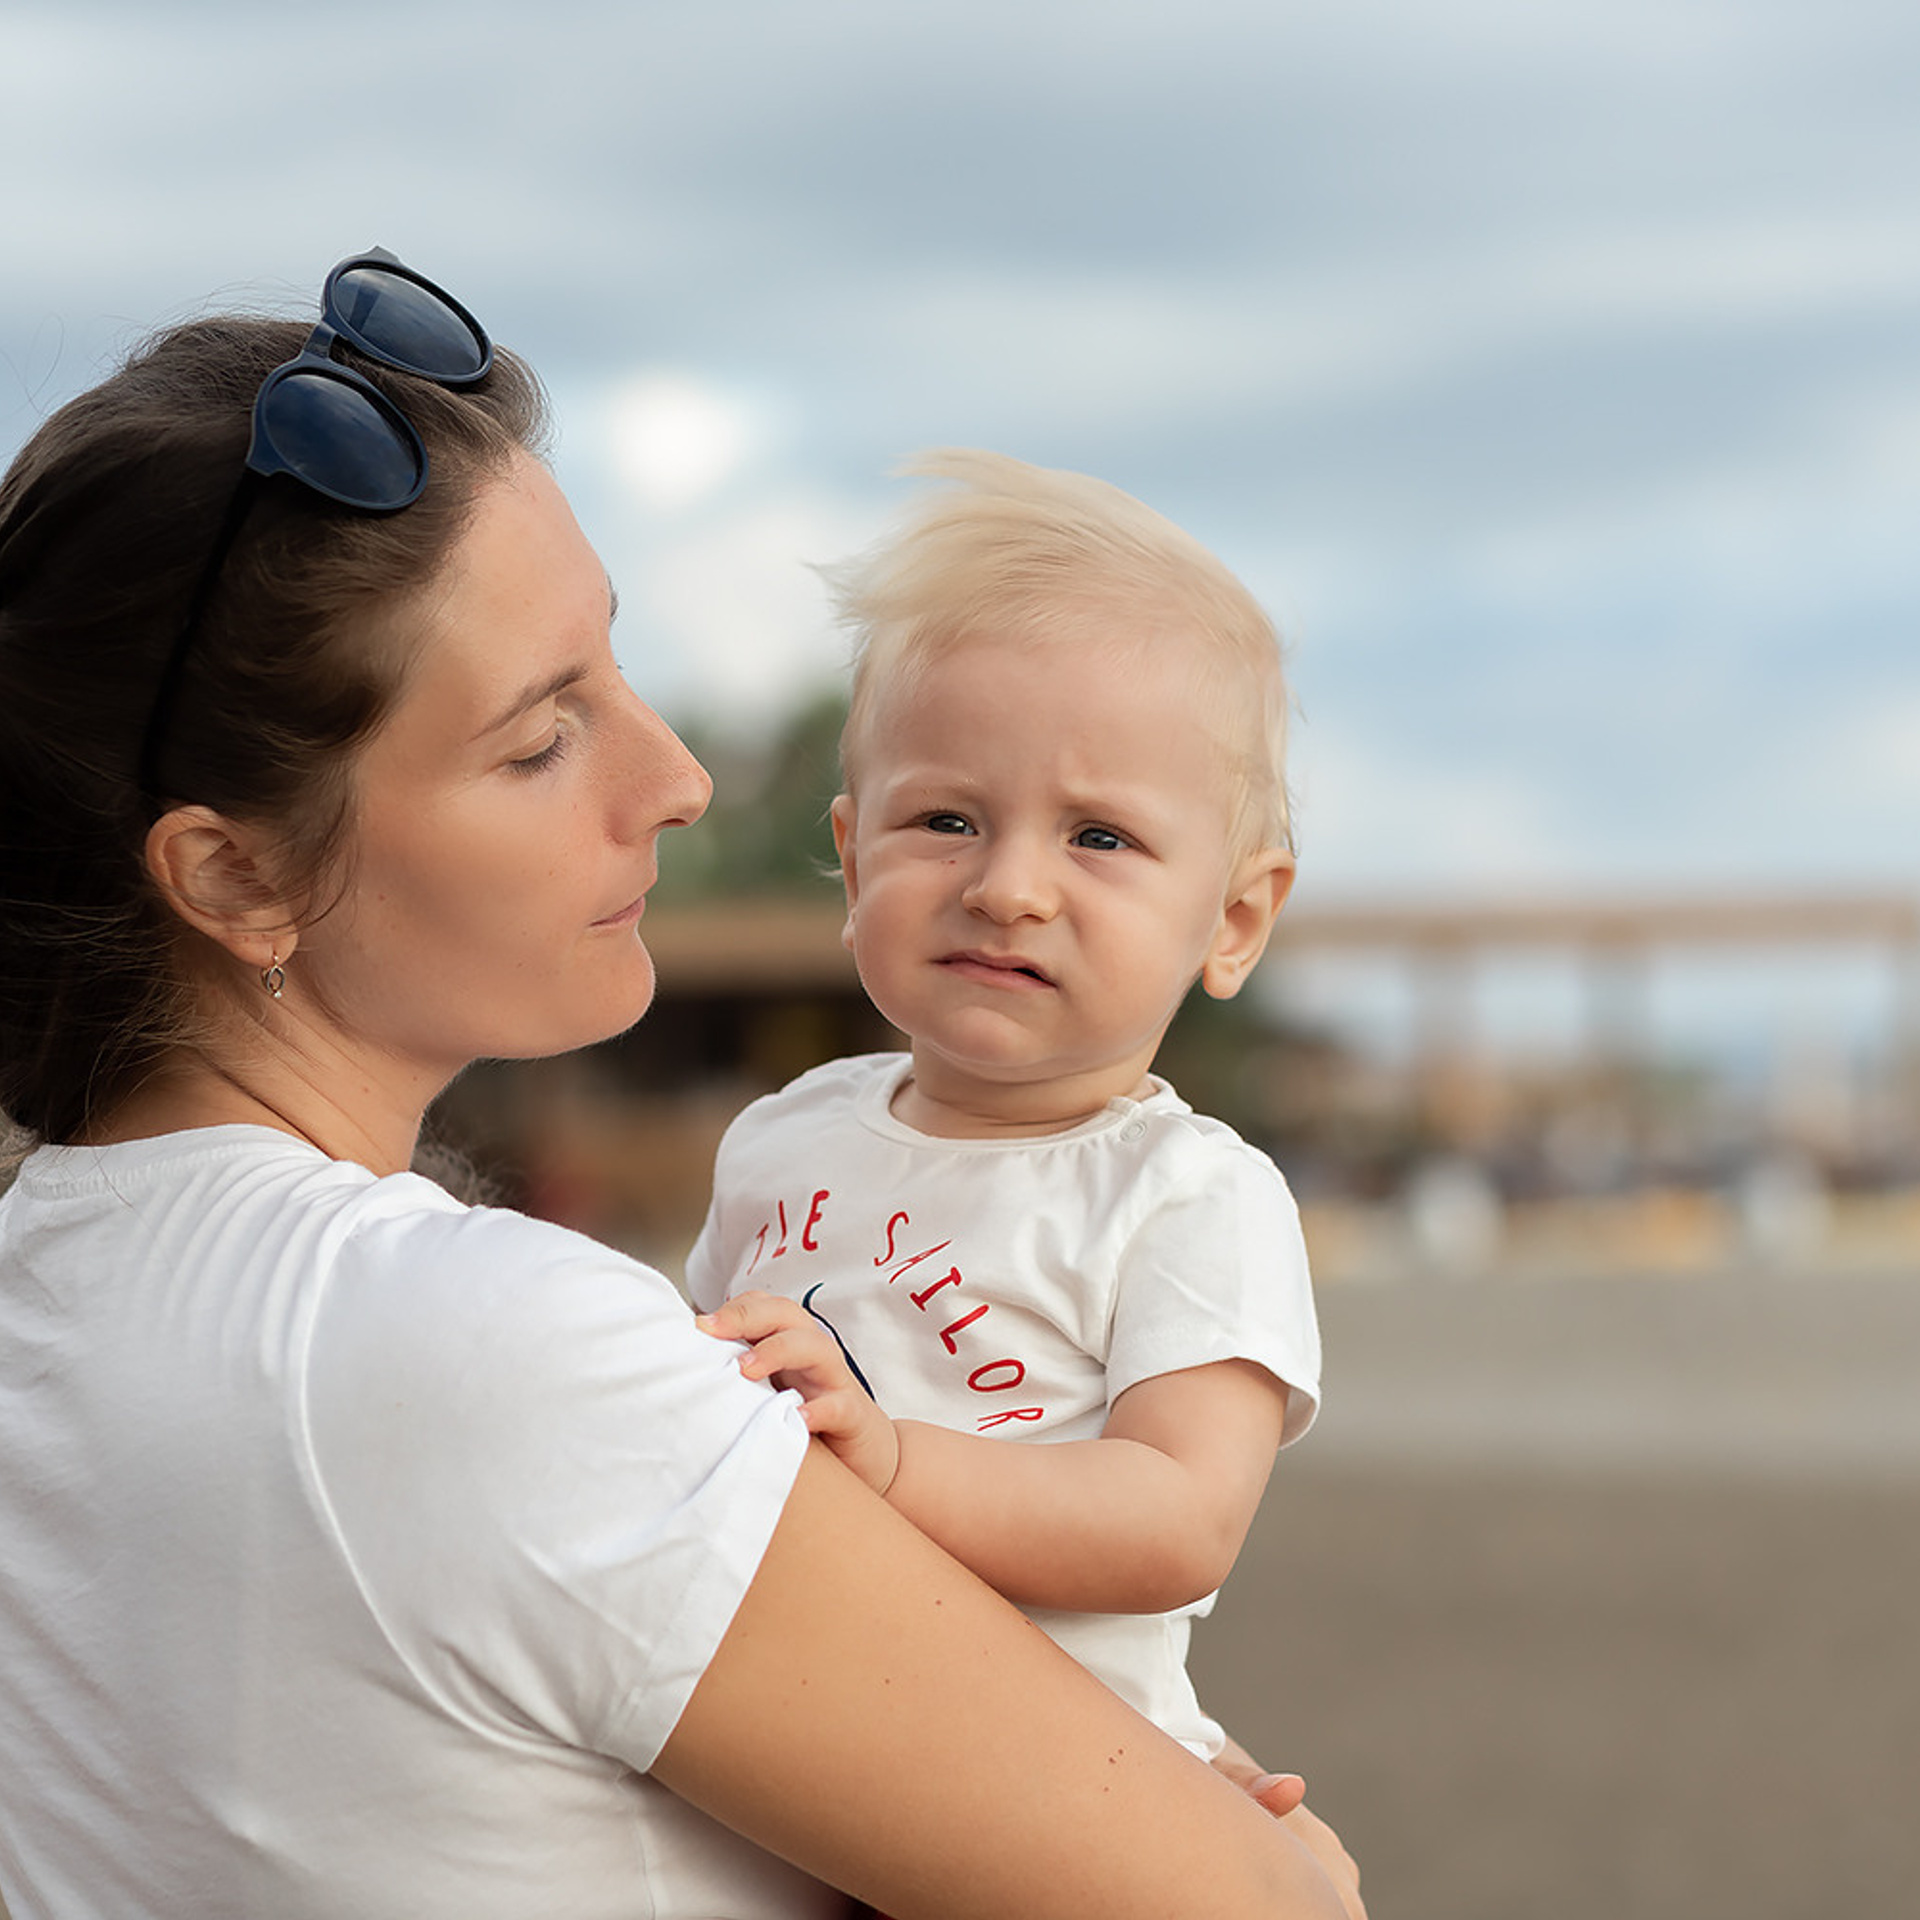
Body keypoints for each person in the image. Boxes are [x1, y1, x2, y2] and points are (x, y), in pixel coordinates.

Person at [0, 252, 1359, 1920]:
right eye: (541, 734)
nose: (684, 778)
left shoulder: (53, 1310)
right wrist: (1277, 1867)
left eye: (619, 670)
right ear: (234, 878)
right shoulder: (475, 1354)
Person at [687, 450, 1316, 1766]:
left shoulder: (1184, 1195)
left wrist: (892, 1463)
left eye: (1099, 837)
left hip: (1054, 1777)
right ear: (854, 857)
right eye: (947, 820)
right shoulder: (782, 1137)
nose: (1009, 885)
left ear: (1236, 916)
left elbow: (1176, 1517)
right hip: (781, 1741)